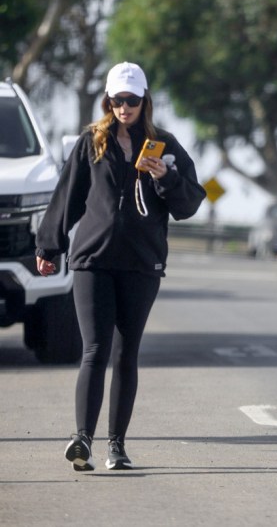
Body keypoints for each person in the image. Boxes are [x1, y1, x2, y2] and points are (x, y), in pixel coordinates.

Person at [35, 62, 206, 471]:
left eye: (131, 100)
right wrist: (48, 245)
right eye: (117, 100)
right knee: (94, 349)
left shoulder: (165, 145)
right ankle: (82, 440)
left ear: (145, 100)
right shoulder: (91, 143)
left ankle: (117, 446)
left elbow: (189, 204)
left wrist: (165, 176)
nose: (124, 107)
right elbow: (68, 197)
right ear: (107, 101)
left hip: (142, 263)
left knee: (126, 353)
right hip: (93, 260)